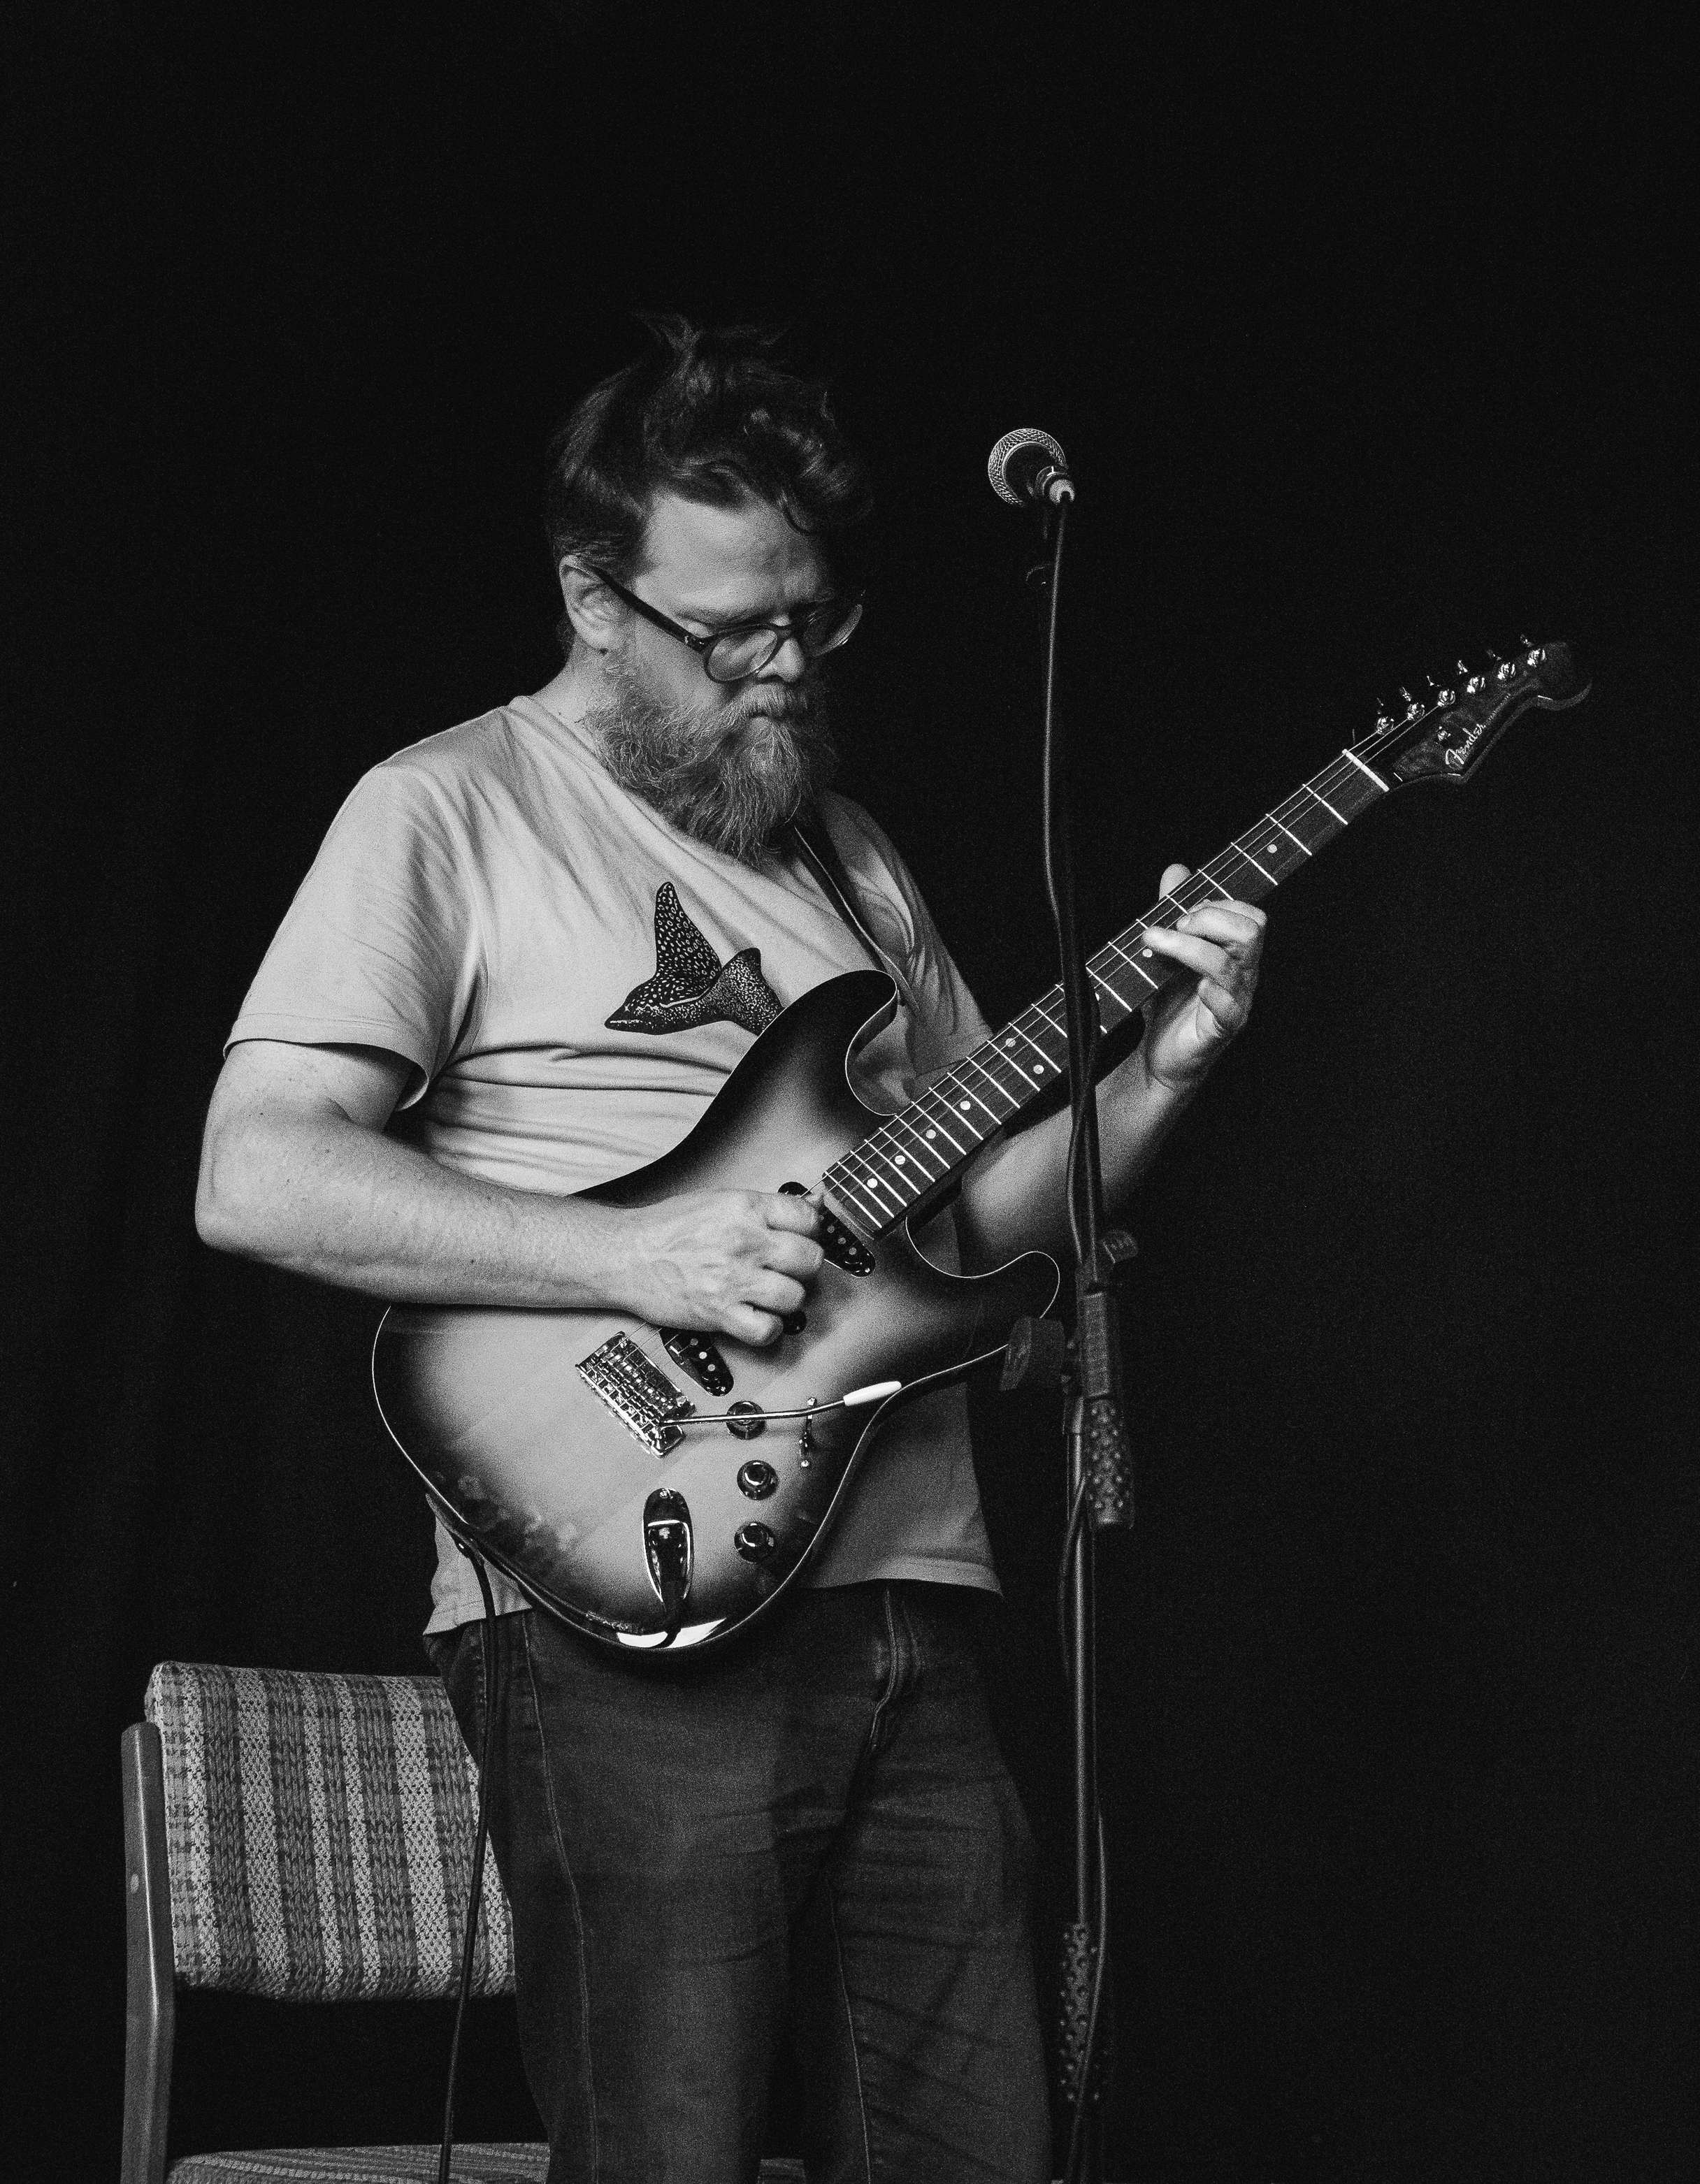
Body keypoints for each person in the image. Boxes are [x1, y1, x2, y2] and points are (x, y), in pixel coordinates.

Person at [196, 319, 1266, 2184]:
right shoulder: (446, 809)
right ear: (593, 598)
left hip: (906, 1594)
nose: (780, 667)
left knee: (972, 2152)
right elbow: (259, 1174)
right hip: (618, 1605)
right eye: (729, 631)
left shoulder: (844, 856)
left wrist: (1164, 1071)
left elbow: (976, 1218)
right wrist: (642, 1265)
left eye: (810, 620)